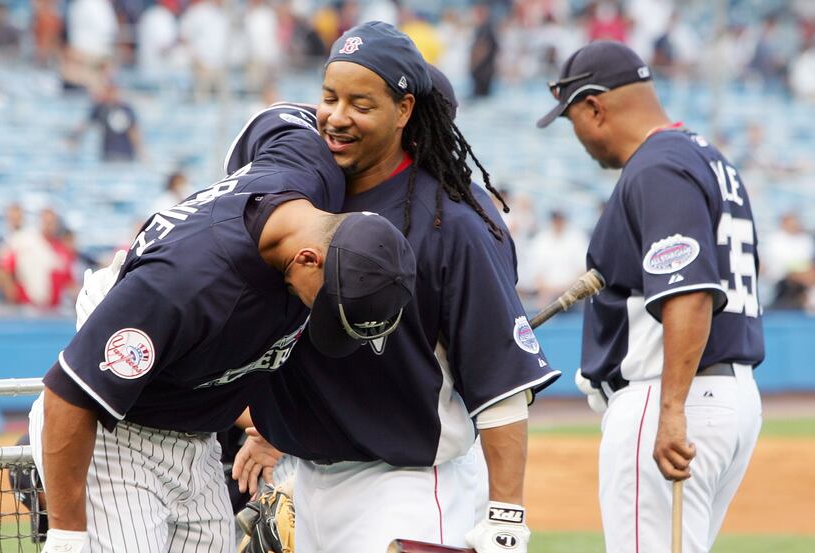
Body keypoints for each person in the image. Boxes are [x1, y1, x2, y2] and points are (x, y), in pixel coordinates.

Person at [29, 104, 417, 553]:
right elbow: (68, 396)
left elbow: (282, 118)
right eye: (328, 306)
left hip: (198, 440)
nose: (323, 317)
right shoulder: (185, 285)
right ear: (309, 258)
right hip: (120, 435)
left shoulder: (312, 174)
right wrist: (67, 535)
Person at [231, 22, 559, 553]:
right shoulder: (306, 203)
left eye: (360, 103)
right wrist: (271, 429)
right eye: (329, 98)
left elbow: (500, 387)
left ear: (404, 111)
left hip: (405, 490)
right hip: (308, 481)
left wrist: (506, 517)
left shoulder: (454, 224)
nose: (336, 117)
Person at [537, 40, 763, 553]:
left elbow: (690, 291)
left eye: (572, 119)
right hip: (724, 395)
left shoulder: (657, 166)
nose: (577, 137)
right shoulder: (708, 158)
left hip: (670, 392)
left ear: (594, 106)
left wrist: (672, 410)